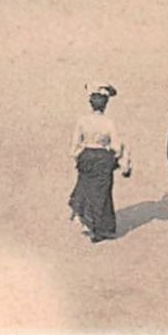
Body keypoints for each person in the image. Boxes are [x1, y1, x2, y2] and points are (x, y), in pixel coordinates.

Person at [69, 83, 130, 242]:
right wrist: (115, 155)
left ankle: (87, 222)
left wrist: (78, 156)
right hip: (102, 159)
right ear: (105, 105)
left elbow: (75, 144)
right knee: (102, 194)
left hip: (87, 157)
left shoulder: (82, 121)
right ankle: (102, 228)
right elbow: (116, 146)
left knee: (85, 187)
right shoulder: (109, 123)